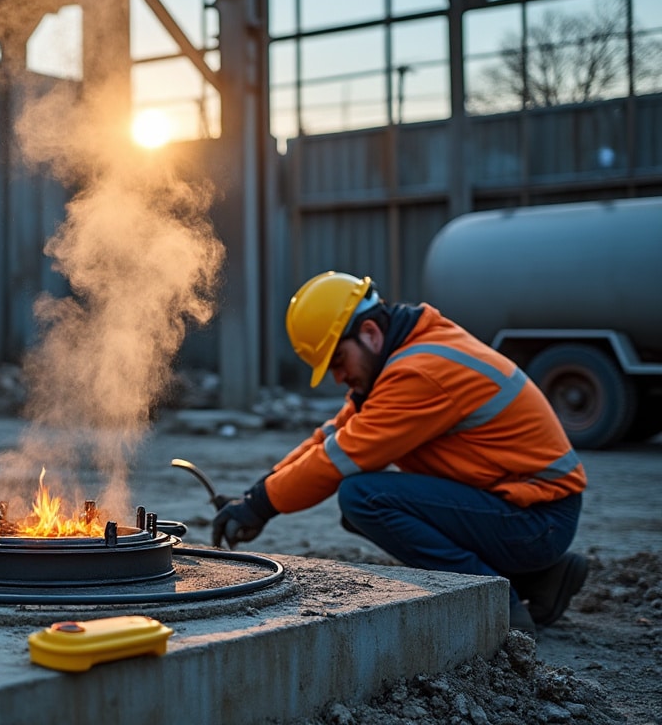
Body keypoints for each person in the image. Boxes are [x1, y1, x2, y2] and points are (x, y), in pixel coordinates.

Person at [213, 271, 588, 634]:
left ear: (370, 333)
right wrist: (257, 494)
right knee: (365, 504)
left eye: (338, 361)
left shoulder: (419, 373)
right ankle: (541, 580)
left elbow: (338, 458)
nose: (337, 377)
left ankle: (496, 602)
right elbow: (330, 438)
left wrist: (261, 505)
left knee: (365, 498)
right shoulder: (408, 356)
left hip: (537, 522)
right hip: (528, 509)